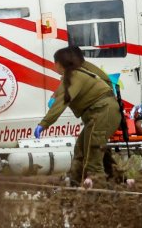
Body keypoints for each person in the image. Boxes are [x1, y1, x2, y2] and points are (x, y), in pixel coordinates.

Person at [34, 46, 120, 188]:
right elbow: (62, 94)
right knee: (81, 150)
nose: (54, 66)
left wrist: (43, 124)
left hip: (102, 112)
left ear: (60, 63)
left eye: (55, 62)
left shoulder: (74, 75)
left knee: (93, 153)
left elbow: (61, 102)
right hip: (101, 113)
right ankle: (115, 182)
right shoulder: (79, 72)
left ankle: (99, 194)